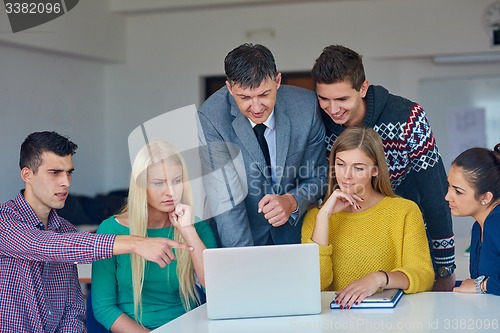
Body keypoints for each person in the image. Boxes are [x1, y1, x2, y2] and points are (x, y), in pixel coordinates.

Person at [0, 131, 193, 333]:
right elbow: (45, 245)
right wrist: (136, 243)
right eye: (55, 172)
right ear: (27, 174)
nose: (66, 182)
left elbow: (73, 310)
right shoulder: (5, 221)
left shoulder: (65, 229)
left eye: (69, 172)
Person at [311, 45, 455, 291]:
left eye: (342, 99)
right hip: (346, 239)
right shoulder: (317, 123)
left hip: (407, 241)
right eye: (324, 99)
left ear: (363, 88)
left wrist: (444, 266)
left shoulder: (408, 117)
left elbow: (435, 191)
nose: (333, 109)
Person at [198, 43, 328, 247]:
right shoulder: (211, 118)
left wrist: (292, 201)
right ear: (229, 88)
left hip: (296, 236)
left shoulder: (307, 107)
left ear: (277, 81)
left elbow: (319, 176)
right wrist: (244, 260)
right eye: (245, 98)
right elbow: (226, 199)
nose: (257, 107)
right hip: (241, 235)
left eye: (264, 95)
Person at [301, 127, 434, 309]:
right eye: (340, 164)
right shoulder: (316, 217)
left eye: (358, 168)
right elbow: (314, 285)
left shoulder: (405, 211)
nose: (346, 175)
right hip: (335, 322)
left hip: (391, 319)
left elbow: (423, 275)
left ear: (375, 170)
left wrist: (378, 278)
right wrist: (324, 216)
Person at [92, 141, 217, 332]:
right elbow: (103, 308)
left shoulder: (196, 227)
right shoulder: (110, 229)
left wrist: (187, 230)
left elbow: (215, 288)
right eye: (159, 183)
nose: (170, 192)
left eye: (177, 181)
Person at [446, 144, 500, 296]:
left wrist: (482, 285)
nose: (447, 196)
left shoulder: (496, 222)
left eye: (458, 191)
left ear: (485, 197)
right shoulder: (478, 226)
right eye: (448, 186)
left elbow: (480, 283)